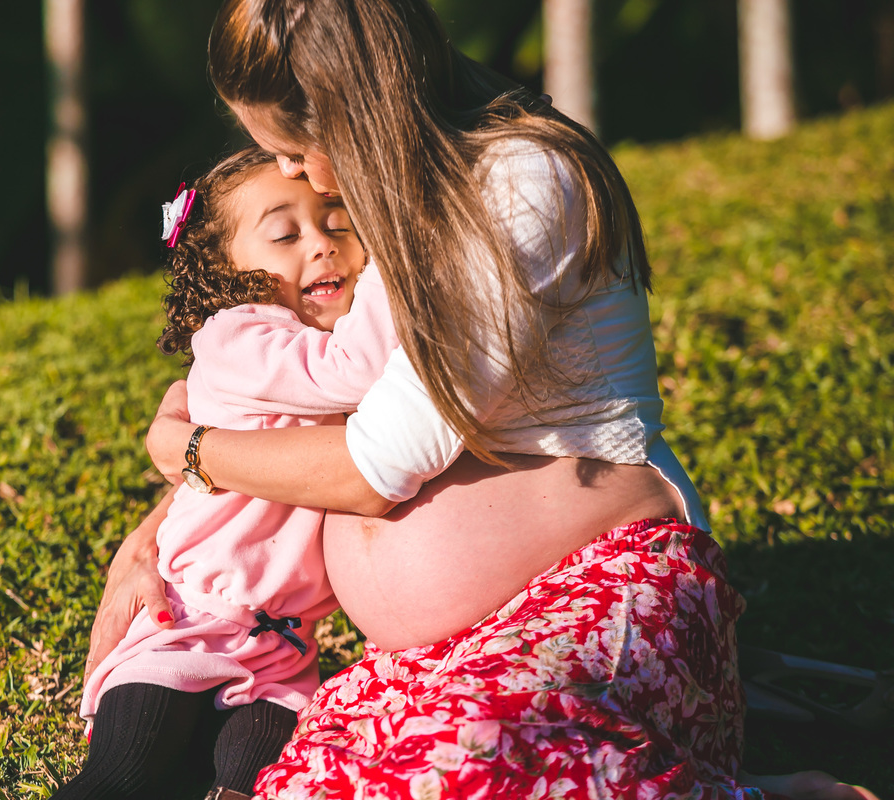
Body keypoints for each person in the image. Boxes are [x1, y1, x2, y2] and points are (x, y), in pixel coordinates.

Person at [88, 2, 881, 799]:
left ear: (355, 109)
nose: (299, 177)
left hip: (597, 578)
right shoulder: (395, 203)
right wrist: (158, 529)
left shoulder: (519, 187)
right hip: (445, 645)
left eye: (296, 150)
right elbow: (289, 410)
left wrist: (187, 451)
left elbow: (377, 465)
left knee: (472, 763)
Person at [53, 145, 400, 800]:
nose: (323, 245)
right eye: (285, 235)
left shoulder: (328, 343)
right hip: (183, 625)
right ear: (227, 270)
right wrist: (392, 257)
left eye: (337, 224)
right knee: (124, 777)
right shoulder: (238, 336)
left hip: (281, 653)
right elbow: (353, 371)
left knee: (248, 787)